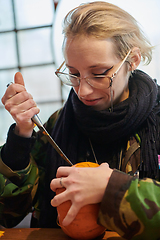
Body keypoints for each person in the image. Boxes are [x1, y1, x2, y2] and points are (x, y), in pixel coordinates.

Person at [0, 1, 160, 239]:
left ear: (133, 60)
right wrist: (21, 136)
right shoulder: (58, 125)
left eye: (99, 74)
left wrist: (111, 189)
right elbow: (7, 215)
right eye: (73, 74)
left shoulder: (155, 121)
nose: (82, 91)